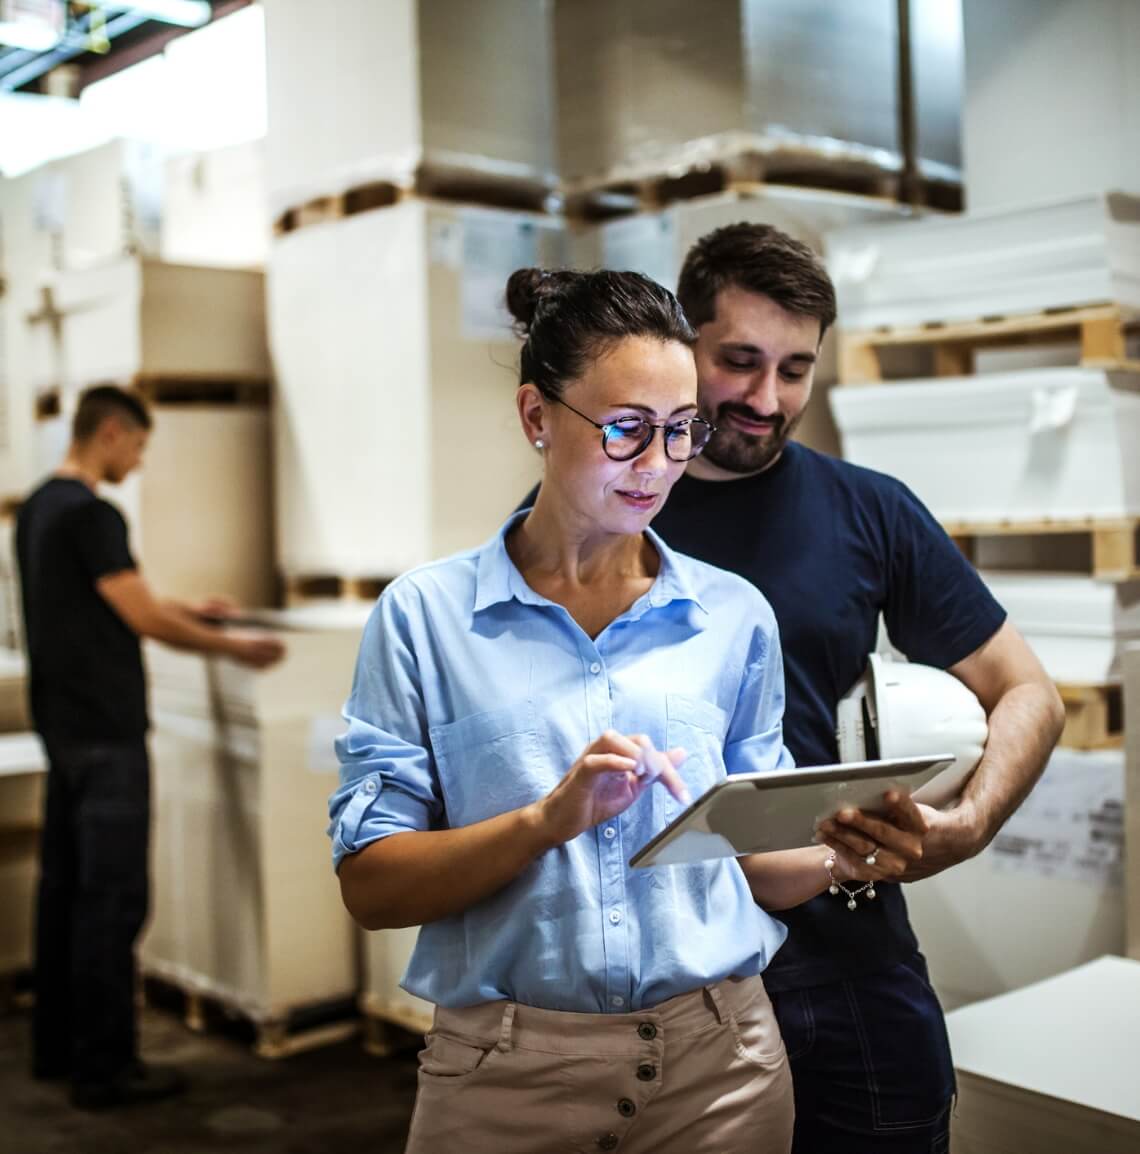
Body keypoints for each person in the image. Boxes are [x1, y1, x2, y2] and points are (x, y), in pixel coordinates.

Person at [329, 269, 926, 1154]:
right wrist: (544, 820)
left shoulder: (734, 617)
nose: (658, 466)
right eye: (626, 431)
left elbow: (747, 863)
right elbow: (372, 886)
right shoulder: (426, 619)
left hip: (723, 1069)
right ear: (538, 418)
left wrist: (848, 851)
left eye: (682, 432)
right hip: (506, 1080)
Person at [646, 223, 1063, 1152]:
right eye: (740, 362)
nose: (766, 399)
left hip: (844, 951)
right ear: (683, 344)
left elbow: (1028, 691)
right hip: (662, 965)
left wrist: (967, 826)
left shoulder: (867, 509)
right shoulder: (608, 511)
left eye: (795, 370)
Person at [16, 384, 285, 1110]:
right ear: (110, 432)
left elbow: (106, 598)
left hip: (64, 733)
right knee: (113, 902)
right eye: (136, 446)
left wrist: (189, 607)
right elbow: (139, 616)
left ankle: (56, 1048)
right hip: (107, 737)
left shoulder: (41, 507)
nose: (136, 462)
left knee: (63, 893)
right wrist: (231, 646)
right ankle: (106, 1069)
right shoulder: (94, 513)